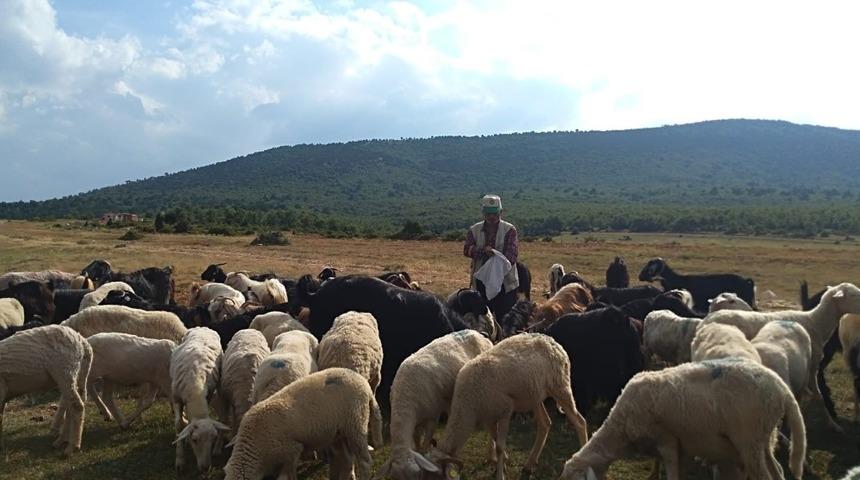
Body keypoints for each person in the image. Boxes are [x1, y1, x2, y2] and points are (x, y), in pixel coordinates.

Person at [463, 194, 519, 320]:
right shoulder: (474, 230)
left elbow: (511, 256)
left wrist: (493, 255)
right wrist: (484, 251)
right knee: (483, 319)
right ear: (483, 213)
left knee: (505, 319)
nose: (492, 217)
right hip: (481, 282)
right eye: (488, 214)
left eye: (495, 213)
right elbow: (467, 250)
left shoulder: (510, 230)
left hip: (506, 283)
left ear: (501, 212)